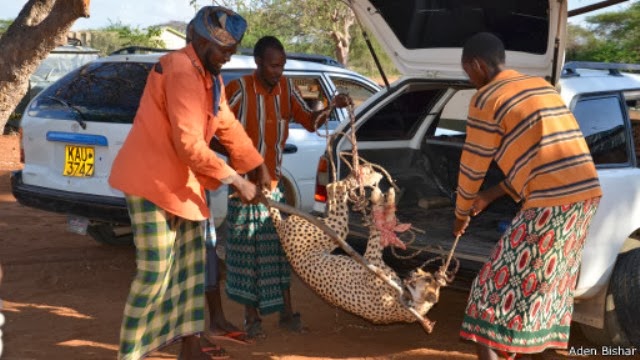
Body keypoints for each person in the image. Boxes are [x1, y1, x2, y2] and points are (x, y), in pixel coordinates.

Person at [108, 6, 270, 360]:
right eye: (223, 49)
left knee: (191, 271)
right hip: (151, 183)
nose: (228, 56)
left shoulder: (209, 77)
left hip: (184, 187)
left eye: (232, 50)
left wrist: (256, 165)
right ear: (198, 39)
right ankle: (130, 354)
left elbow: (225, 123)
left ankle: (191, 348)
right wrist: (236, 180)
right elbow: (189, 144)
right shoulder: (181, 70)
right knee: (155, 273)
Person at [453, 32, 602, 360]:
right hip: (584, 198)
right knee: (540, 290)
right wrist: (490, 196)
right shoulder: (540, 86)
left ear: (477, 65)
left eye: (468, 72)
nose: (470, 79)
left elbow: (472, 166)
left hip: (550, 204)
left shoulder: (486, 98)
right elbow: (540, 155)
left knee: (485, 296)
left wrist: (461, 213)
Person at [215, 35, 352, 339]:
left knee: (278, 256)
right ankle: (252, 320)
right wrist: (241, 164)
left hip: (273, 190)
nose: (279, 70)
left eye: (282, 65)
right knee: (247, 258)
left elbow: (311, 121)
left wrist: (331, 106)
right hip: (244, 191)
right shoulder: (238, 91)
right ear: (258, 63)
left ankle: (287, 315)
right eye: (274, 65)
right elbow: (212, 131)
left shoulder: (287, 89)